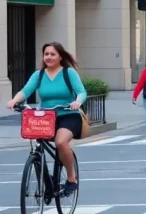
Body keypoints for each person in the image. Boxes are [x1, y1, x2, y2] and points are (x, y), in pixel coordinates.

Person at [6, 42, 87, 197]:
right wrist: (14, 100)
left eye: (52, 54)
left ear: (60, 56)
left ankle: (71, 178)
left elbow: (81, 92)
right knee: (37, 143)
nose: (48, 57)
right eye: (46, 54)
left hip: (68, 115)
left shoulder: (68, 73)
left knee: (60, 142)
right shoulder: (39, 75)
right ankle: (46, 176)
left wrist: (78, 102)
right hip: (46, 117)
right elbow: (26, 90)